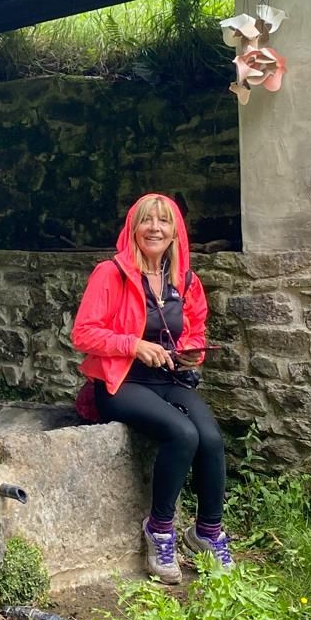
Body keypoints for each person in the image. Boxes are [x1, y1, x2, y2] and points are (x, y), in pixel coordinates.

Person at [71, 193, 231, 584]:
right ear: (133, 229)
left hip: (168, 380)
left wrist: (193, 355)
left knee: (209, 437)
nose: (155, 228)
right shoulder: (110, 273)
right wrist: (134, 345)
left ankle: (207, 531)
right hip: (121, 382)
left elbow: (194, 330)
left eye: (164, 221)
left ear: (175, 232)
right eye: (147, 221)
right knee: (181, 433)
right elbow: (83, 333)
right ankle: (160, 529)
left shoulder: (186, 281)